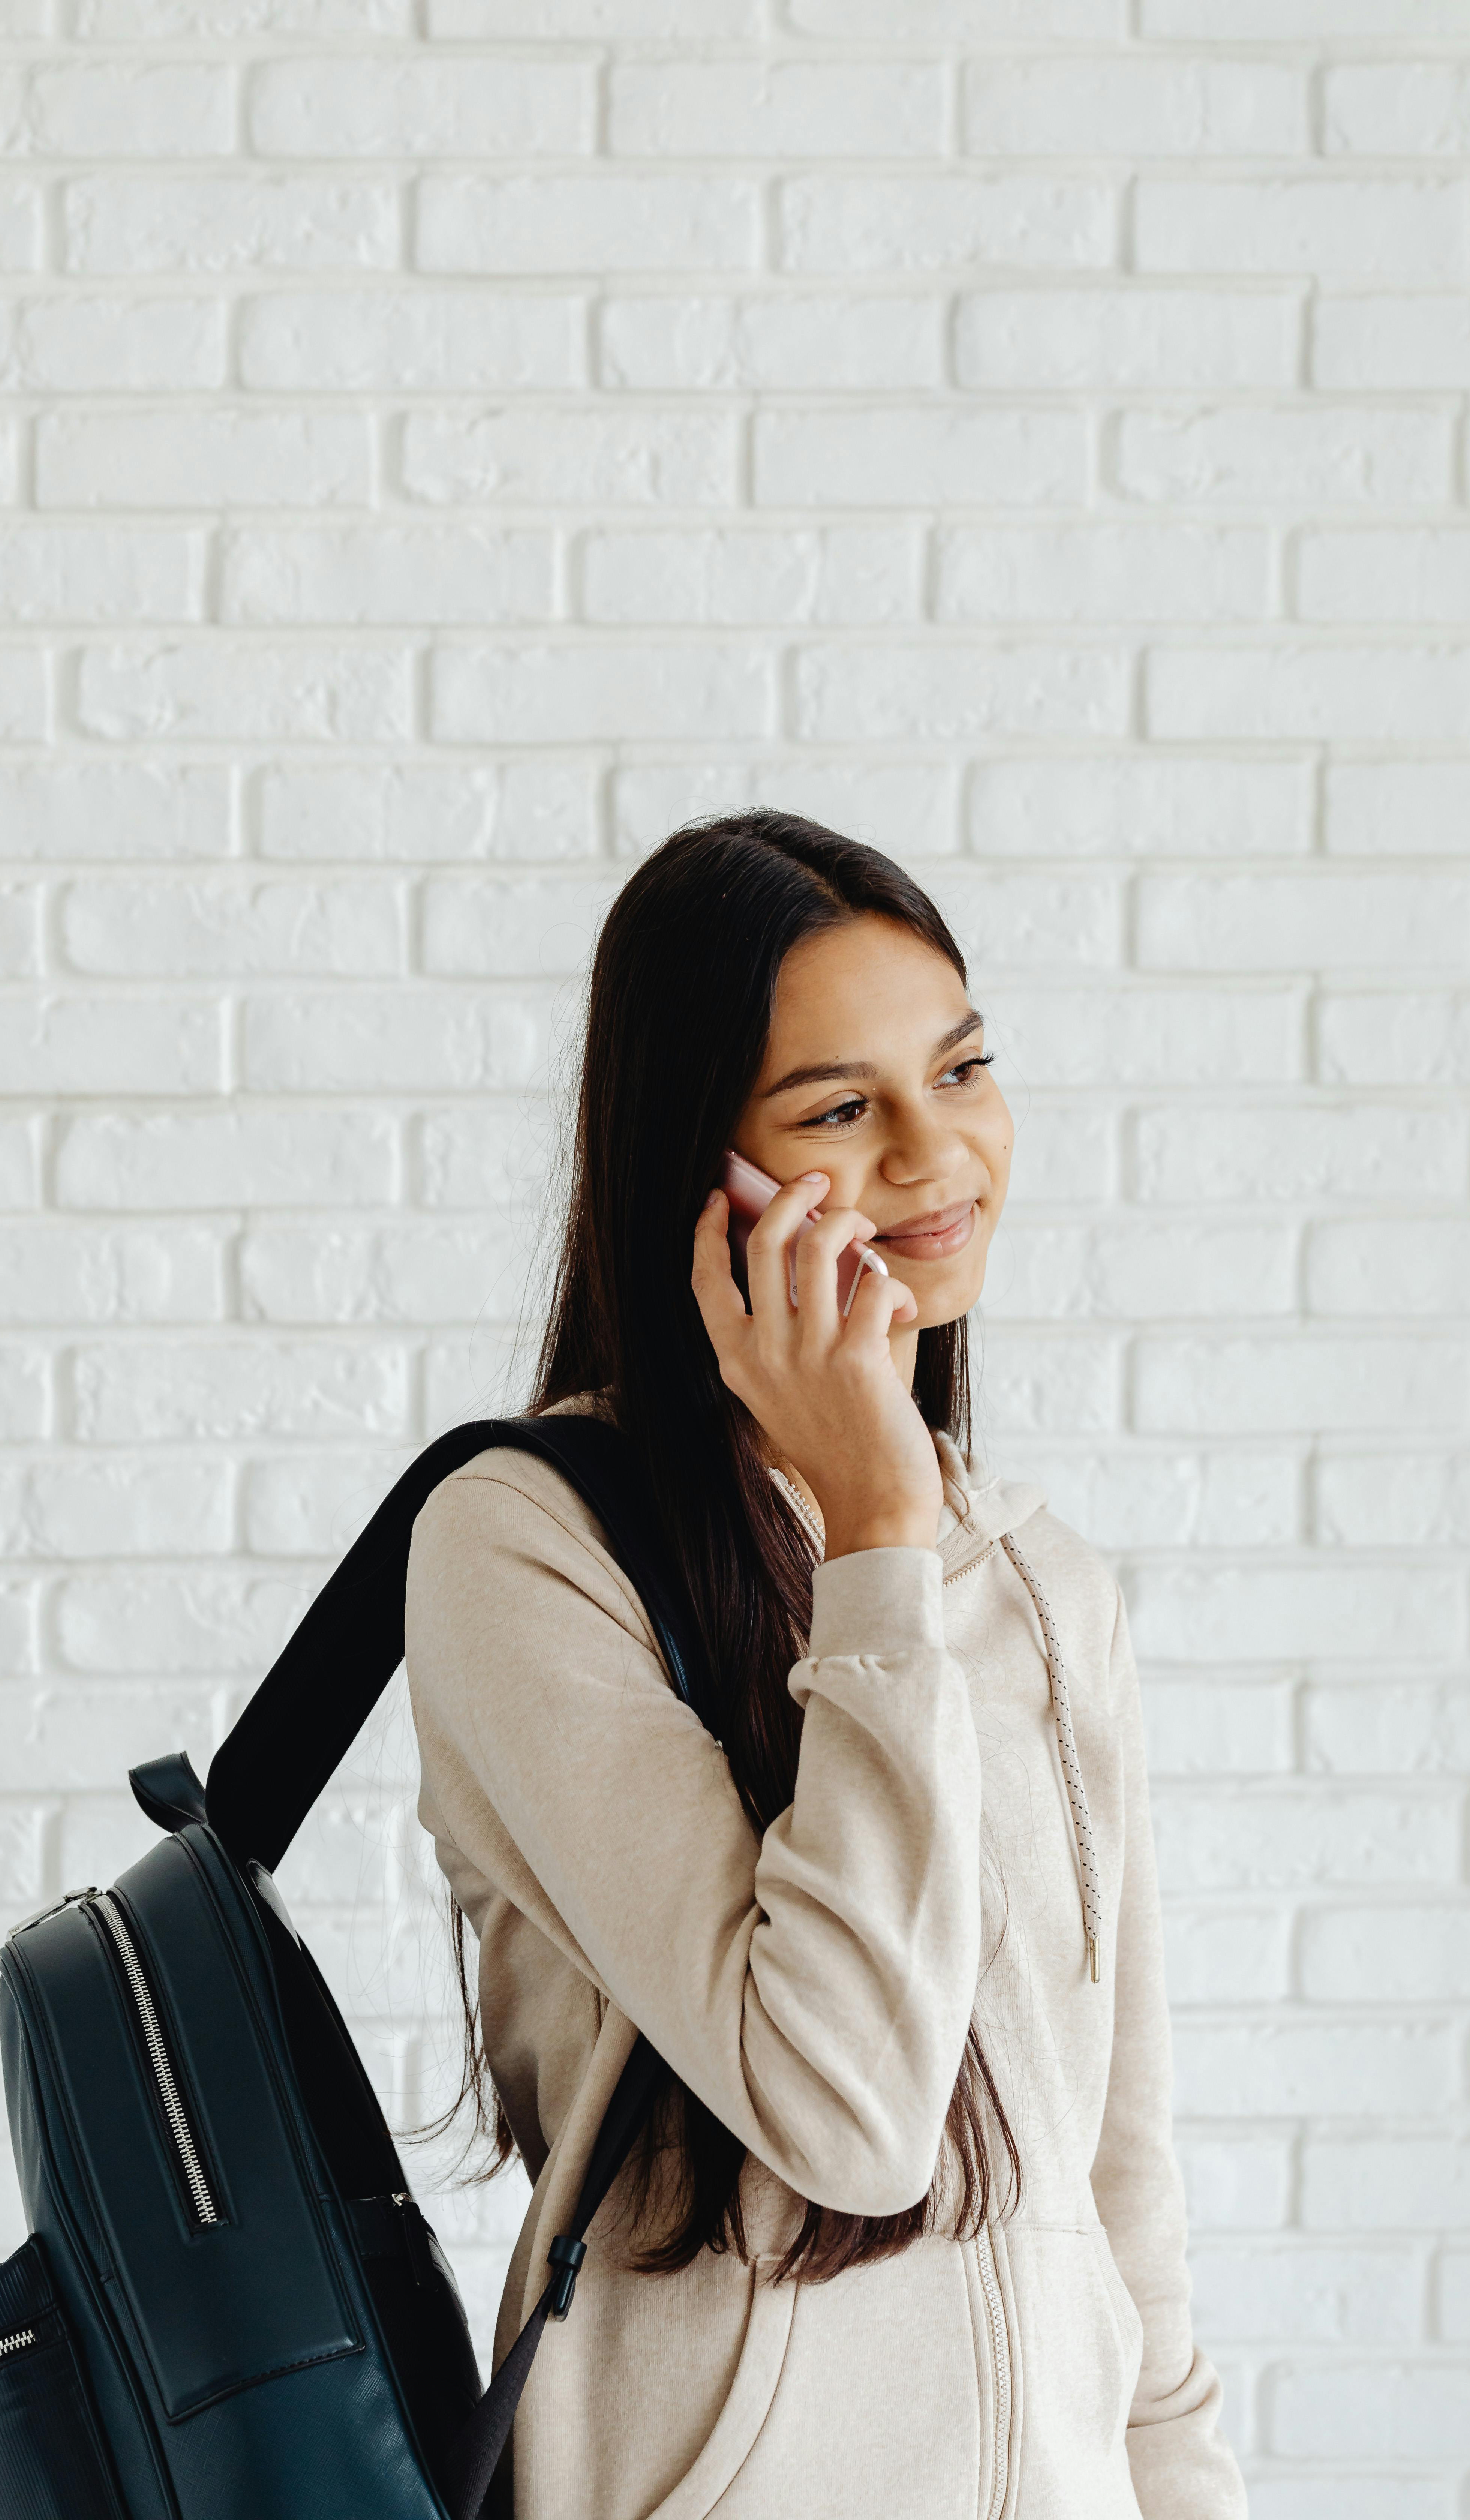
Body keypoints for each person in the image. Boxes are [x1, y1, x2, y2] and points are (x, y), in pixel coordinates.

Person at [405, 812, 1245, 2520]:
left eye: (963, 1069)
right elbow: (850, 2118)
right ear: (699, 1178)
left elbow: (1118, 2196)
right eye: (841, 1111)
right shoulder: (530, 1548)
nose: (940, 1154)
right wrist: (874, 1531)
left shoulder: (1043, 1585)